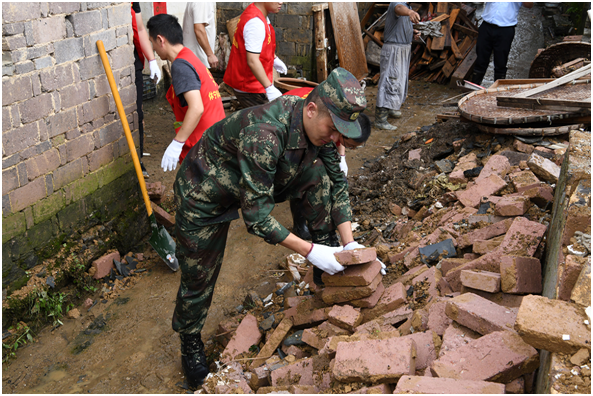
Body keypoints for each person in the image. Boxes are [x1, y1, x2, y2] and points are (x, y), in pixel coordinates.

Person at [171, 68, 384, 388]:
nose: (337, 139)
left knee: (320, 180)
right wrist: (309, 251)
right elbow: (256, 218)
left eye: (341, 132)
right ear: (311, 109)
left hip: (259, 179)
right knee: (200, 274)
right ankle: (190, 344)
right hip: (206, 192)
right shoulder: (265, 134)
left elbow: (337, 183)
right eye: (333, 129)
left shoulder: (320, 128)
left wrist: (349, 243)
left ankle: (332, 267)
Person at [284, 86, 372, 239]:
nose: (336, 139)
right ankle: (299, 224)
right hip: (294, 114)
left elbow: (337, 175)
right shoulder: (324, 119)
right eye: (350, 145)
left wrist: (342, 158)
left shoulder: (340, 124)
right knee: (303, 170)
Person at [146, 14, 226, 172]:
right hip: (217, 138)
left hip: (203, 147)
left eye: (152, 42)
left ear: (161, 40)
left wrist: (177, 143)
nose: (153, 49)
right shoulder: (190, 57)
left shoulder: (181, 66)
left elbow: (197, 108)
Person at [223, 2, 287, 109]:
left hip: (253, 82)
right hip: (249, 86)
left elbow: (259, 44)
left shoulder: (259, 14)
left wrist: (274, 58)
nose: (281, 2)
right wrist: (269, 88)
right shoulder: (255, 22)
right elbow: (252, 61)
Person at [375, 2, 420, 131]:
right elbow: (399, 8)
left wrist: (412, 32)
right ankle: (380, 119)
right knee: (390, 81)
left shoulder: (407, 6)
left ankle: (390, 108)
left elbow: (399, 25)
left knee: (398, 81)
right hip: (394, 49)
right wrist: (410, 12)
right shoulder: (398, 4)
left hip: (402, 49)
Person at [131, 2, 162, 177]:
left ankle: (139, 160)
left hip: (134, 63)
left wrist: (151, 60)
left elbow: (140, 28)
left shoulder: (133, 3)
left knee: (138, 113)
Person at [470, 2, 534, 86]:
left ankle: (498, 89)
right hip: (486, 26)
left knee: (500, 61)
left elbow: (529, 5)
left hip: (505, 29)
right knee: (481, 58)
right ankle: (473, 87)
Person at [182, 2, 219, 69]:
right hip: (197, 59)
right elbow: (199, 29)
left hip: (194, 58)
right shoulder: (202, 3)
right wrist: (210, 54)